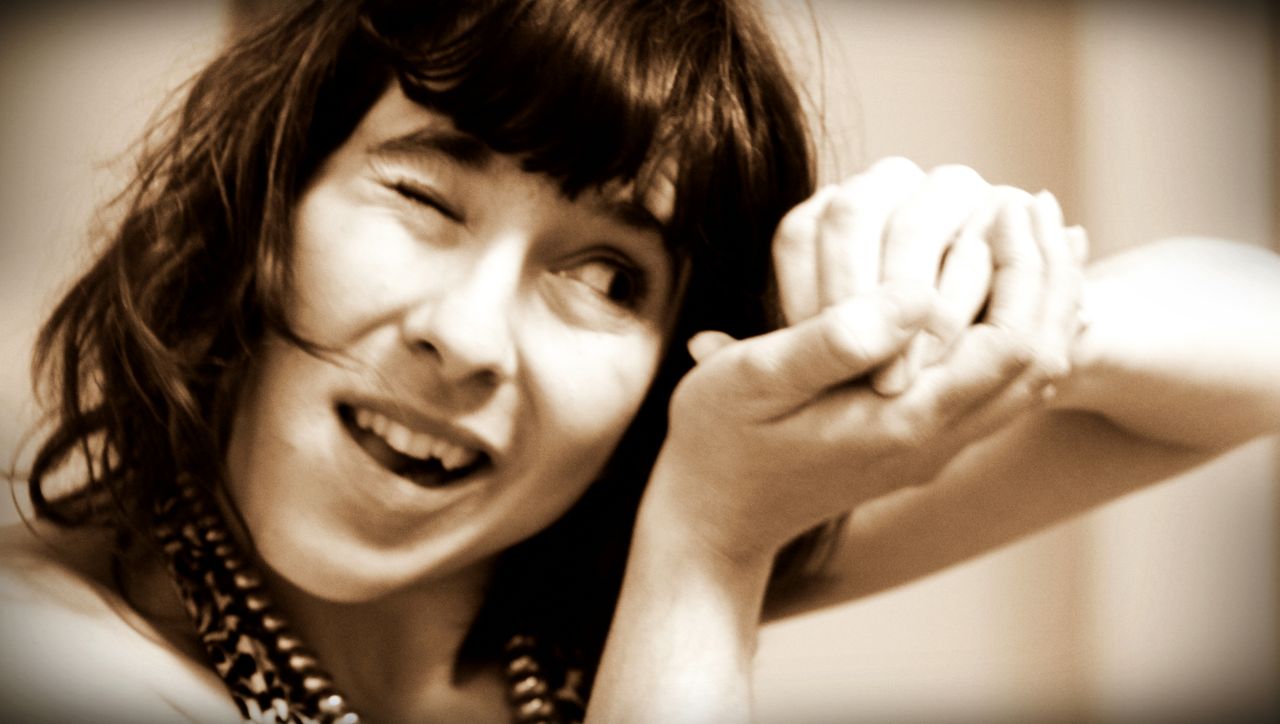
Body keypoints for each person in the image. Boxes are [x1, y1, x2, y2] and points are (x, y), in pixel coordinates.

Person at [1, 0, 1277, 722]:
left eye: (606, 275)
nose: (467, 334)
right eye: (424, 199)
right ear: (267, 206)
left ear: (668, 367)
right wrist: (709, 554)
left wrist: (961, 314)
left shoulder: (578, 589)